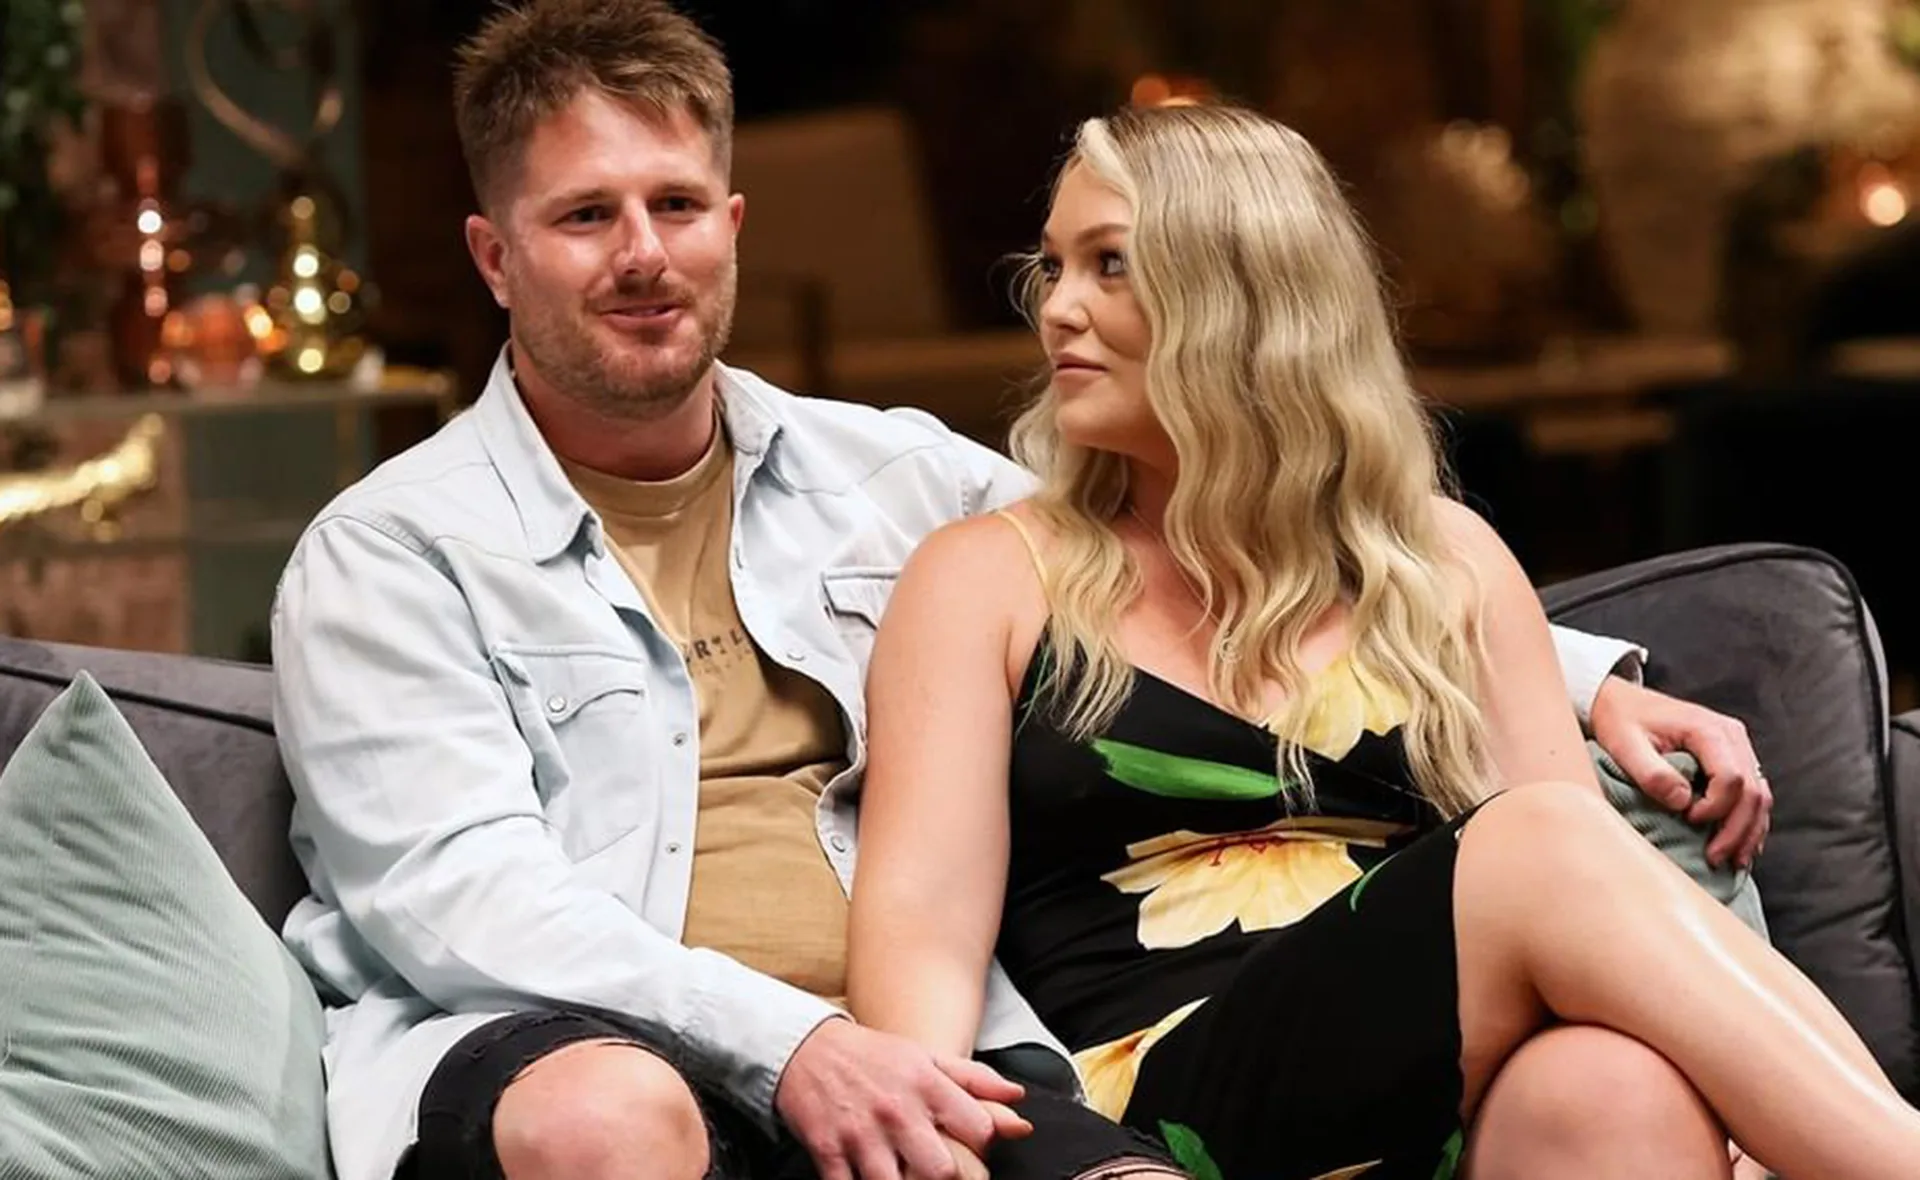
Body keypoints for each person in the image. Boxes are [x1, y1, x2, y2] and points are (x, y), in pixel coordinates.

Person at [271, 3, 1773, 1179]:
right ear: (491, 255)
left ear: (733, 223)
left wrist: (1585, 680)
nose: (642, 256)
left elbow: (1227, 536)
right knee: (606, 1116)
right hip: (598, 1044)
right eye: (585, 217)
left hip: (933, 1046)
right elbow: (465, 900)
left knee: (1602, 1066)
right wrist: (795, 1044)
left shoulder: (888, 475)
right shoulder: (388, 554)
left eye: (675, 203)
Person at [843, 102, 1920, 1180]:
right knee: (1537, 838)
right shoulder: (984, 576)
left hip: (1435, 1098)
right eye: (1055, 266)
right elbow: (921, 959)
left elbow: (1605, 936)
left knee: (1610, 1082)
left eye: (1110, 265)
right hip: (1161, 1117)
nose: (1059, 310)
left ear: (1244, 298)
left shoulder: (1441, 560)